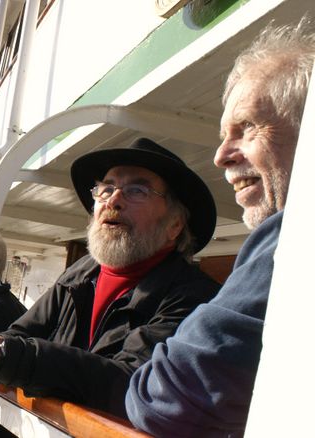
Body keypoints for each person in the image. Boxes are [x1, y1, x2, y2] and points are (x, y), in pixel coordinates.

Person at [0, 137, 220, 418]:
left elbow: (130, 382)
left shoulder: (196, 299)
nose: (113, 199)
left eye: (137, 190)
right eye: (106, 188)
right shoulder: (80, 274)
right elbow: (18, 335)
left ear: (175, 225)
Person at [125, 18, 315, 436]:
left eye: (246, 128)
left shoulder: (297, 236)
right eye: (105, 190)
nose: (220, 155)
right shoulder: (78, 279)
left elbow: (169, 396)